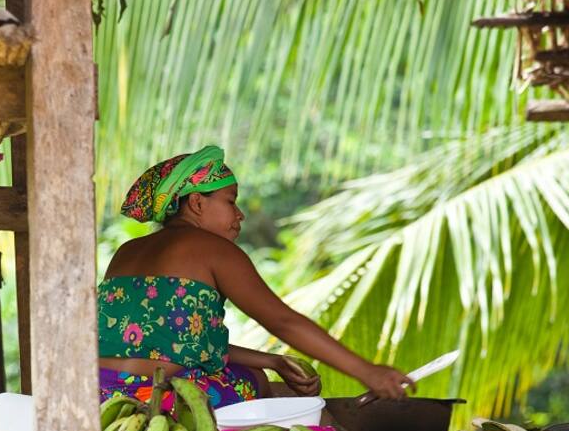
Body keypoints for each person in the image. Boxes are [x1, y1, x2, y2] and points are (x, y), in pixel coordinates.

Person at [98, 145, 412, 409]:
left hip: (102, 395)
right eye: (230, 201)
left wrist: (272, 360)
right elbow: (282, 322)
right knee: (254, 381)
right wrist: (366, 371)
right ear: (196, 202)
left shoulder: (126, 251)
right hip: (158, 400)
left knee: (257, 371)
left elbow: (176, 343)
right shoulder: (214, 249)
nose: (240, 215)